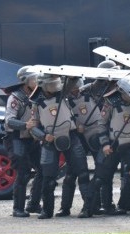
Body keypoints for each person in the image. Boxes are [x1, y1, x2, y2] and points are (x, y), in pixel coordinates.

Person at [30, 74, 93, 219]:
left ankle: (88, 208)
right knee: (48, 178)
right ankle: (47, 210)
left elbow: (72, 81)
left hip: (71, 135)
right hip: (50, 141)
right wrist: (43, 136)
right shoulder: (36, 102)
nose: (54, 86)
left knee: (82, 173)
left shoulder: (63, 93)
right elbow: (33, 127)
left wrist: (67, 74)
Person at [55, 77, 106, 216]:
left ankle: (96, 205)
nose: (74, 91)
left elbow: (99, 84)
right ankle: (65, 207)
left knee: (100, 170)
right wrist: (76, 125)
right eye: (72, 88)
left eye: (76, 87)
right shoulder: (62, 98)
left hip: (95, 131)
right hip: (77, 135)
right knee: (72, 173)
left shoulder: (89, 91)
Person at [93, 83, 130, 215]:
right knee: (102, 176)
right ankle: (100, 205)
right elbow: (101, 124)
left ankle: (126, 205)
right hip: (113, 143)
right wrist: (104, 144)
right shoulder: (110, 102)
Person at [3, 66, 43, 217]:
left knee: (43, 170)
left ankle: (33, 204)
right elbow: (9, 121)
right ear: (25, 81)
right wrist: (26, 125)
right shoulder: (15, 98)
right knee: (24, 172)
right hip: (16, 139)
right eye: (34, 78)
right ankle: (17, 209)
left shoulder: (38, 95)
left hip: (32, 139)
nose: (37, 81)